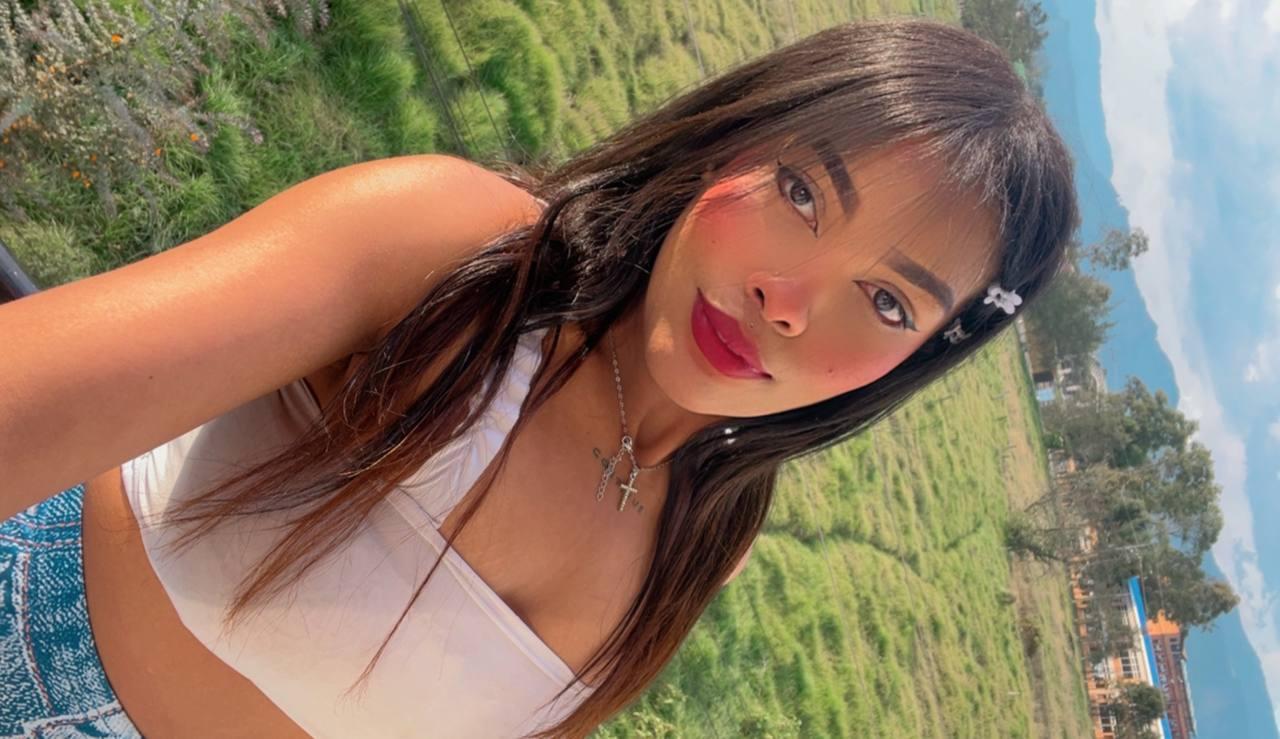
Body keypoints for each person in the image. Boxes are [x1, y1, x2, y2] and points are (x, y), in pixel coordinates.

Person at [0, 17, 1078, 739]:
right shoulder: (461, 258)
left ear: (915, 358)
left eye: (886, 302)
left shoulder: (710, 530)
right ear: (731, 144)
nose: (788, 300)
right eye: (800, 191)